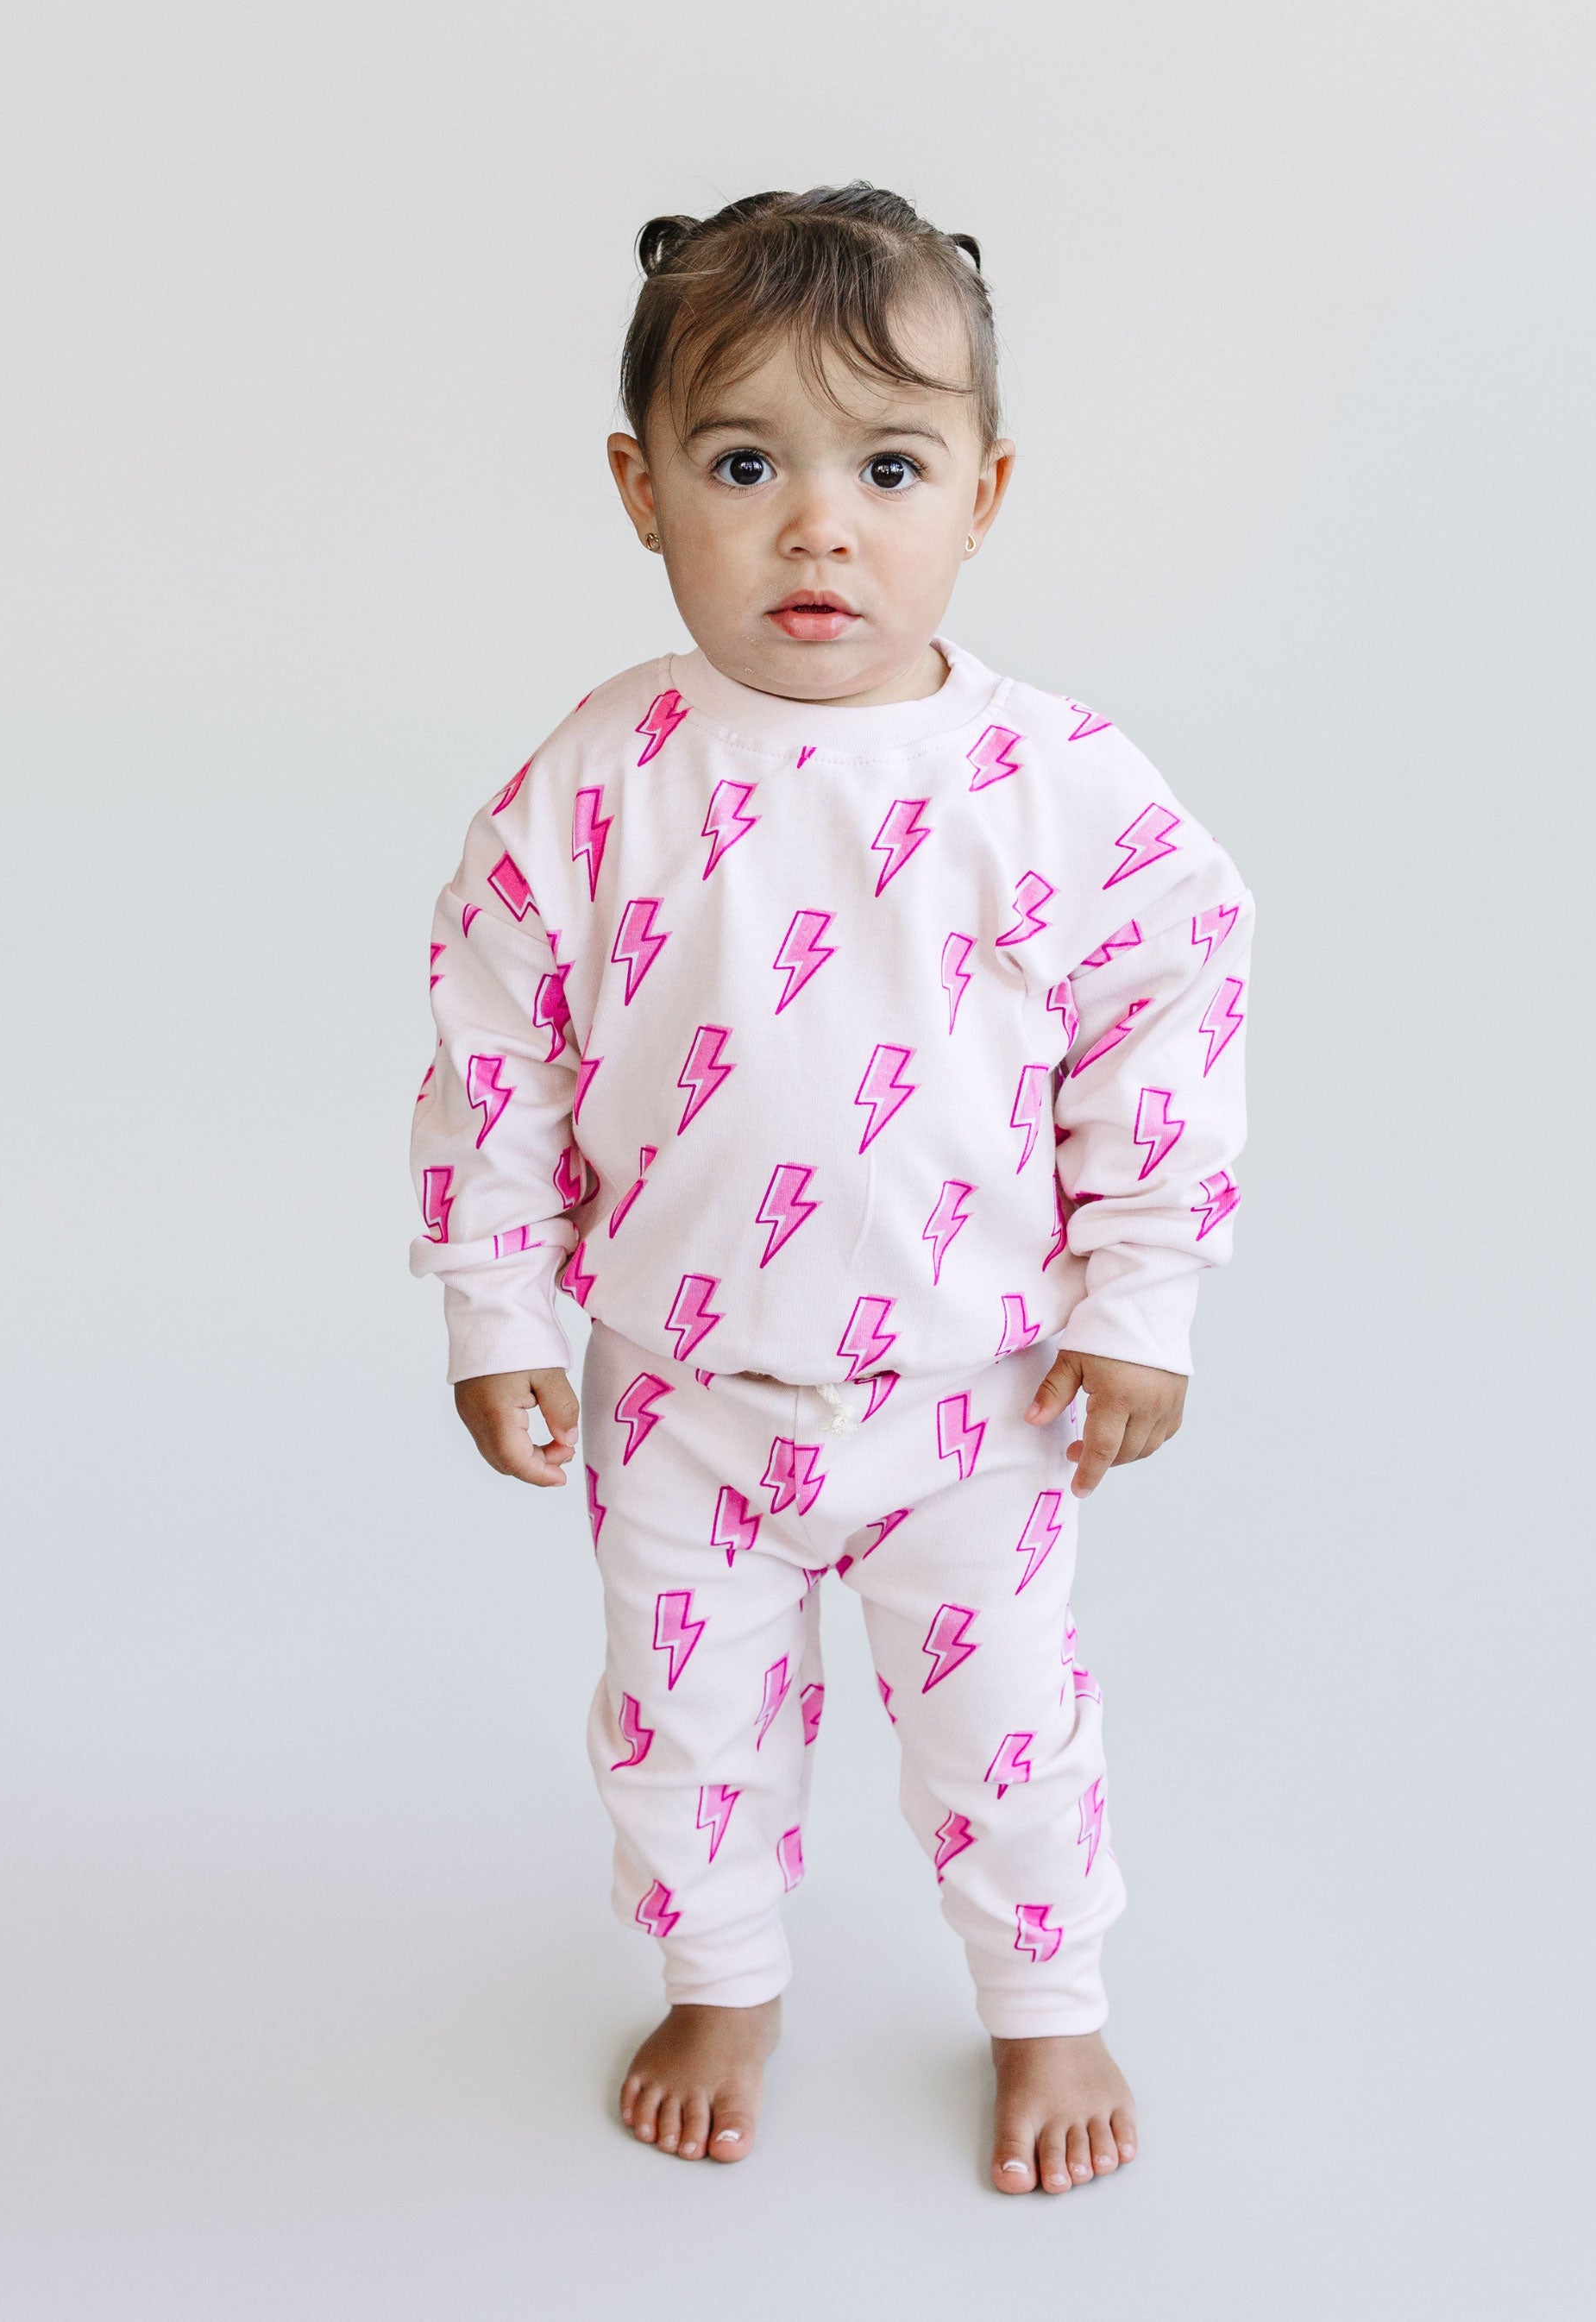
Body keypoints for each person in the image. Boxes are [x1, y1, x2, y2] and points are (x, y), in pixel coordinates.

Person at [409, 184, 1253, 2194]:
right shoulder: (601, 778)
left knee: (1009, 1732)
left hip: (974, 1402)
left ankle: (1047, 2004)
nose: (818, 527)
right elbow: (493, 1048)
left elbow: (1170, 1022)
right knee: (679, 1724)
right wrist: (495, 1307)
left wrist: (1143, 1302)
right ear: (639, 488)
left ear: (984, 490)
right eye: (743, 465)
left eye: (887, 467)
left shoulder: (1056, 786)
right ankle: (723, 1977)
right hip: (679, 1397)